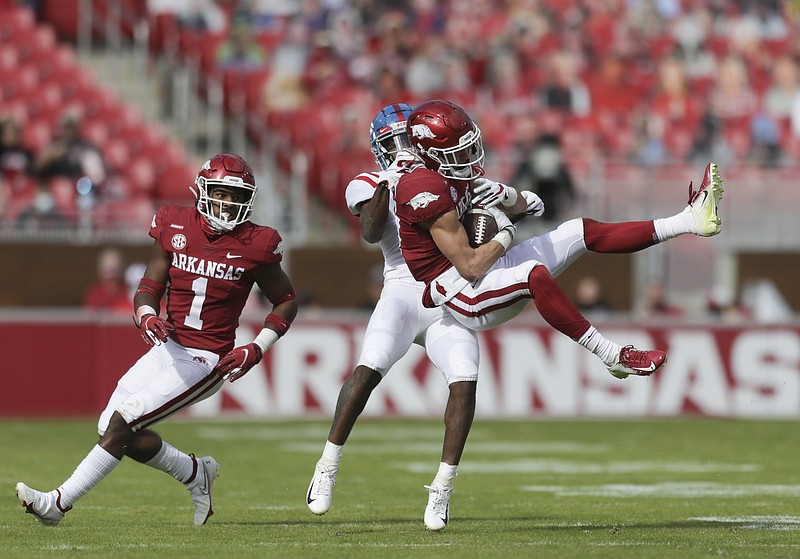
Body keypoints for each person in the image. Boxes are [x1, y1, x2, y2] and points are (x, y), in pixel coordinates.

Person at [16, 153, 298, 527]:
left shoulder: (256, 243)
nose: (228, 202)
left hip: (206, 359)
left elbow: (287, 300)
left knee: (125, 420)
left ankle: (57, 504)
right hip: (168, 347)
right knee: (109, 427)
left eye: (235, 195)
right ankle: (194, 473)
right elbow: (149, 286)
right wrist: (147, 314)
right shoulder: (173, 223)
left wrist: (257, 347)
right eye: (221, 192)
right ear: (202, 190)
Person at [392, 97, 723, 392]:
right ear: (431, 155)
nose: (470, 156)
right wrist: (506, 230)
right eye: (459, 151)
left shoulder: (452, 175)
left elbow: (518, 205)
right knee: (532, 274)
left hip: (482, 269)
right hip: (459, 291)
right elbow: (470, 264)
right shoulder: (423, 188)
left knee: (581, 230)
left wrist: (512, 198)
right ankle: (613, 356)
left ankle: (688, 221)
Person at [306, 103, 482, 532]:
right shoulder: (368, 181)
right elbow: (369, 231)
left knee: (464, 380)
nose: (403, 149)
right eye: (393, 143)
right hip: (403, 291)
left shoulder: (446, 178)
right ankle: (328, 463)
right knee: (369, 368)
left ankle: (442, 487)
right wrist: (391, 181)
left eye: (409, 141)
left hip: (447, 293)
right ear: (379, 149)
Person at [83, 247, 131, 313]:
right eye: (107, 272)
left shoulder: (128, 291)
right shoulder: (95, 294)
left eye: (115, 271)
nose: (112, 277)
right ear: (100, 271)